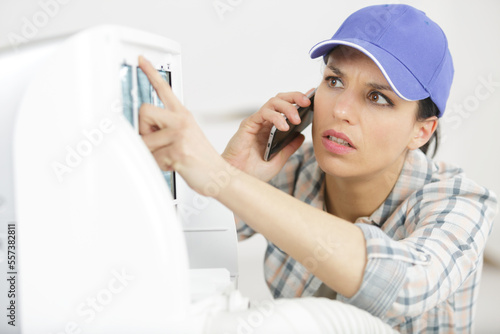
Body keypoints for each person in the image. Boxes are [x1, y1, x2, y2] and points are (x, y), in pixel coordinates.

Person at [137, 4, 498, 333]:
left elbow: (403, 285)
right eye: (334, 80)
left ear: (421, 131)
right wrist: (232, 174)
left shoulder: (461, 201)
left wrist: (224, 180)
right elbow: (166, 254)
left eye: (377, 98)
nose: (340, 110)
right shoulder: (291, 169)